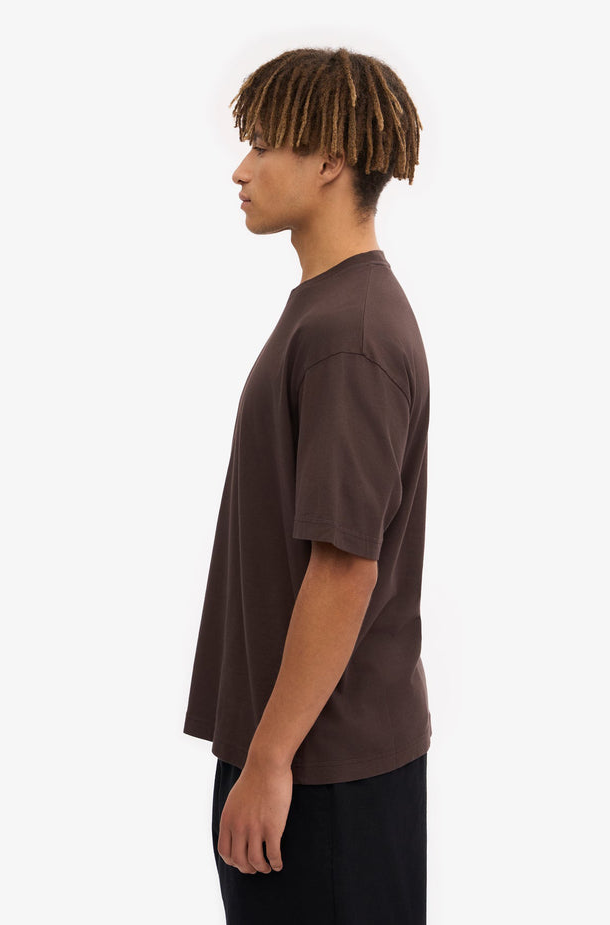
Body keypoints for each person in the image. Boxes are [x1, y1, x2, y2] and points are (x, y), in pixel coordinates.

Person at [183, 46, 431, 924]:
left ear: (330, 160)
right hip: (302, 755)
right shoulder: (329, 311)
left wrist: (269, 759)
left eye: (263, 146)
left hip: (321, 773)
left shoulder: (348, 335)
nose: (241, 170)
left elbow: (345, 565)